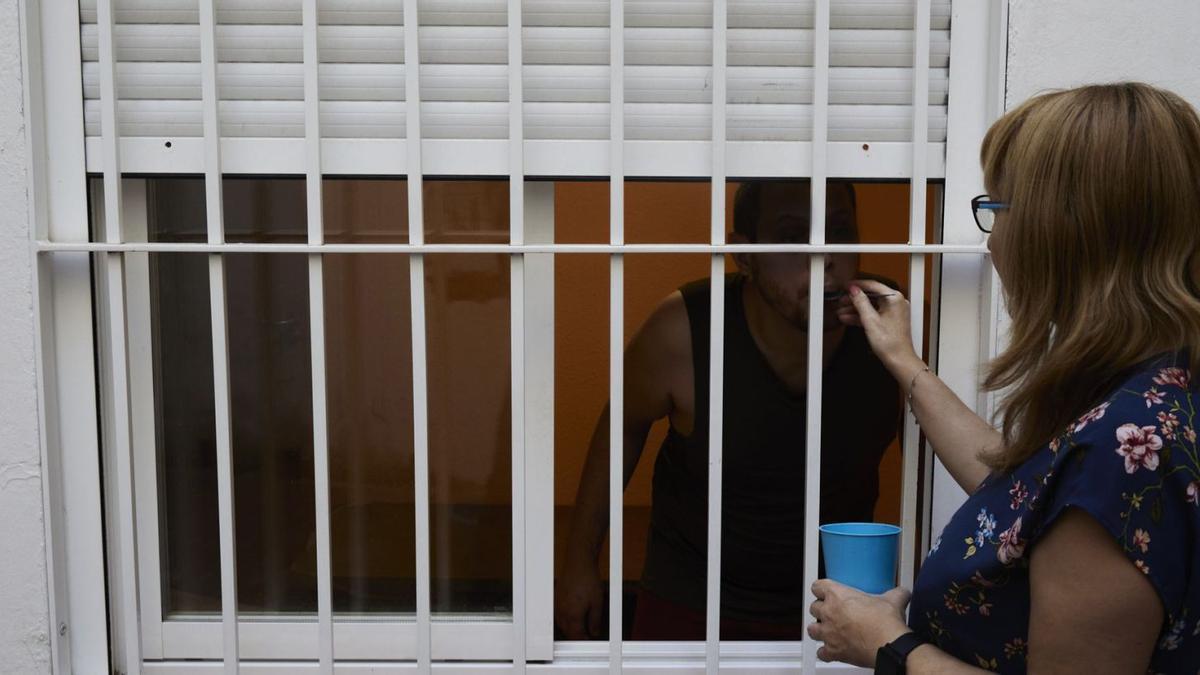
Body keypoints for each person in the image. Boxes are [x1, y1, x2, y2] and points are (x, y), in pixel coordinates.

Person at [809, 82, 1200, 672]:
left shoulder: (1126, 446)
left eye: (997, 210)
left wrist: (887, 644)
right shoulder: (1159, 386)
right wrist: (906, 363)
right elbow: (1023, 497)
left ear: (1060, 233)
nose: (993, 244)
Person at [557, 180, 902, 640]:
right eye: (791, 237)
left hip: (836, 605)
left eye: (839, 231)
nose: (823, 256)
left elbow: (932, 448)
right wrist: (579, 563)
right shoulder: (685, 328)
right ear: (744, 254)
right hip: (692, 600)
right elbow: (621, 426)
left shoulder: (896, 326)